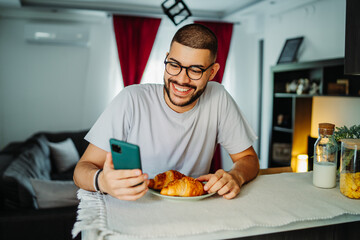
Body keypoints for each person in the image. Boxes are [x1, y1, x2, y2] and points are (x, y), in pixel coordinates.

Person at [73, 23, 259, 201]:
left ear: (212, 72)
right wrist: (102, 181)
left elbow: (248, 159)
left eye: (195, 70)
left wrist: (236, 175)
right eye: (174, 65)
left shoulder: (218, 97)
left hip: (193, 210)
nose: (181, 79)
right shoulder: (131, 98)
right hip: (136, 207)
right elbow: (81, 170)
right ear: (167, 58)